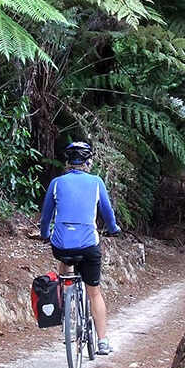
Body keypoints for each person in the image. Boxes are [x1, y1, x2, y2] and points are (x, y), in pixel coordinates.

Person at [40, 140, 121, 355]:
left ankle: (66, 298)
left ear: (67, 162)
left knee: (64, 259)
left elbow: (46, 215)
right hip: (87, 244)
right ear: (88, 161)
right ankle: (102, 341)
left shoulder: (56, 183)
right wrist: (114, 229)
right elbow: (107, 212)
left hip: (61, 246)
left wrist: (44, 235)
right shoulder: (96, 182)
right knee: (94, 292)